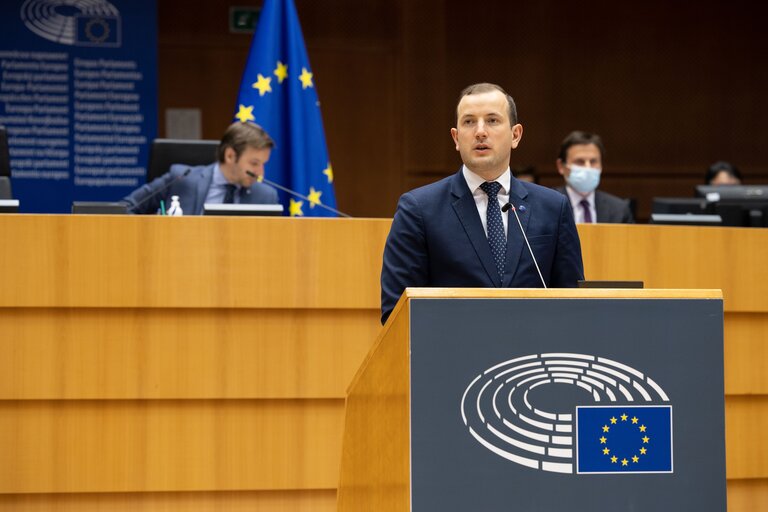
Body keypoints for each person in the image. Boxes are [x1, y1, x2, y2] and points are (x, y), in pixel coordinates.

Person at [380, 83, 584, 324]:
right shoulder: (419, 209)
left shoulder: (552, 208)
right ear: (456, 138)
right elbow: (397, 313)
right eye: (468, 122)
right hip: (451, 355)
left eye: (492, 120)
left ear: (515, 135)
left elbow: (575, 304)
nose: (480, 132)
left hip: (532, 355)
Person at [123, 122, 278, 214]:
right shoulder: (180, 178)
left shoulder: (266, 197)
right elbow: (126, 208)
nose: (260, 173)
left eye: (263, 164)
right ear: (230, 155)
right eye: (254, 163)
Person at [554, 131, 634, 224]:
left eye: (593, 161)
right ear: (561, 166)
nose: (588, 167)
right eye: (579, 161)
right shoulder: (546, 205)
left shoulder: (619, 209)